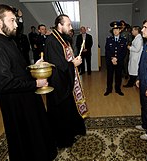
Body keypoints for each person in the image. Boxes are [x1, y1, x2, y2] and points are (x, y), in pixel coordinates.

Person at [0, 4, 57, 161]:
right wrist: (36, 84)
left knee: (35, 131)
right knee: (25, 136)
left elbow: (17, 69)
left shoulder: (7, 40)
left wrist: (34, 67)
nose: (16, 24)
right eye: (12, 20)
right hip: (16, 103)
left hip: (26, 97)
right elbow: (4, 83)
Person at [44, 14, 87, 149]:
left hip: (66, 82)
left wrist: (73, 63)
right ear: (59, 25)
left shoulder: (62, 39)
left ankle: (73, 131)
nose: (70, 27)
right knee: (60, 113)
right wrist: (73, 64)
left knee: (68, 109)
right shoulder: (52, 41)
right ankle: (63, 139)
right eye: (68, 25)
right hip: (58, 85)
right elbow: (58, 64)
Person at [104, 21, 127, 96]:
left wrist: (117, 59)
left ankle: (118, 89)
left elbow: (124, 52)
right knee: (109, 76)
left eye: (117, 29)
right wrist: (112, 58)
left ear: (120, 30)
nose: (115, 31)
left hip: (119, 61)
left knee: (118, 76)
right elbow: (107, 50)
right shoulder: (109, 39)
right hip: (110, 61)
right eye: (114, 29)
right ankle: (109, 89)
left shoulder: (123, 40)